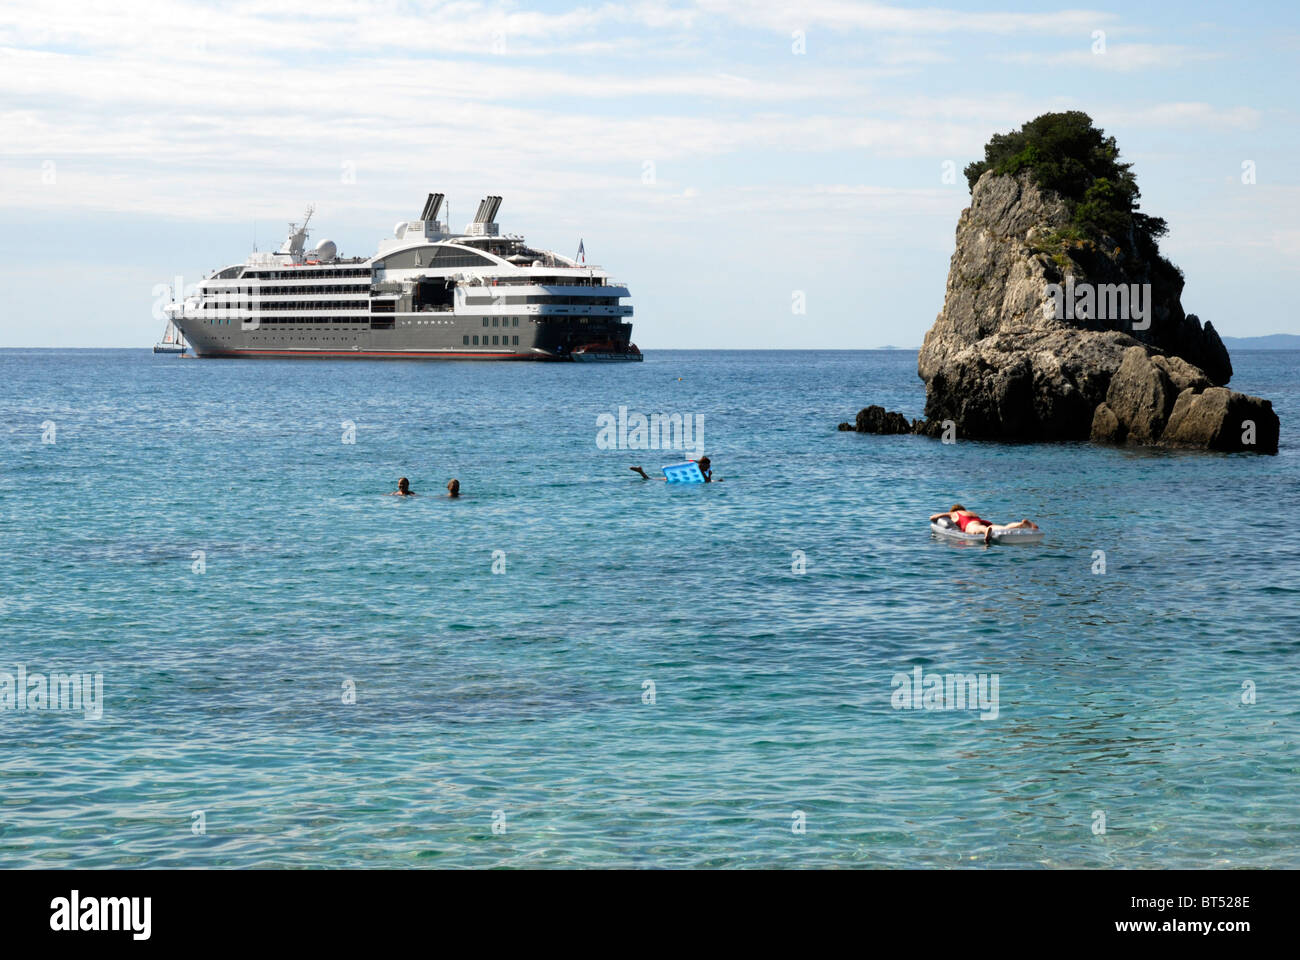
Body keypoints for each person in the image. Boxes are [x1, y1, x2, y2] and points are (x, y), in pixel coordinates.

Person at [930, 504, 1038, 544]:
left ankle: (985, 531)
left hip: (970, 523)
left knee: (975, 529)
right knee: (1002, 528)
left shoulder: (954, 513)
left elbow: (933, 517)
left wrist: (944, 515)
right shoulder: (970, 512)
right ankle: (1021, 524)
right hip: (982, 520)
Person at [630, 455, 716, 482]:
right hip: (676, 480)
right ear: (704, 465)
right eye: (708, 465)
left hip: (676, 478)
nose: (709, 466)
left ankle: (641, 471)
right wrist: (710, 476)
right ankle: (641, 471)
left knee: (651, 479)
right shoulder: (700, 471)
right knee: (650, 480)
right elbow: (706, 482)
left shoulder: (697, 469)